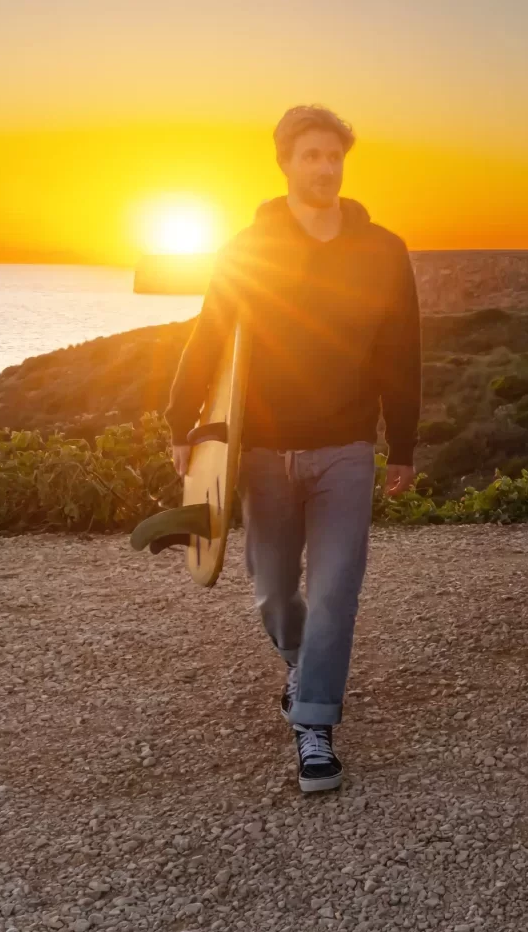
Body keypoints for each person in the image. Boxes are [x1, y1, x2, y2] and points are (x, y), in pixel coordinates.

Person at [166, 104, 420, 794]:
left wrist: (403, 445)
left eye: (334, 155)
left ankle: (314, 725)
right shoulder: (248, 248)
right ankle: (303, 663)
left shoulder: (382, 250)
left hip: (344, 445)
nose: (325, 167)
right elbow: (210, 334)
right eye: (310, 155)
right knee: (276, 588)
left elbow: (402, 353)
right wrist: (182, 422)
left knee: (336, 588)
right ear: (285, 163)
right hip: (262, 449)